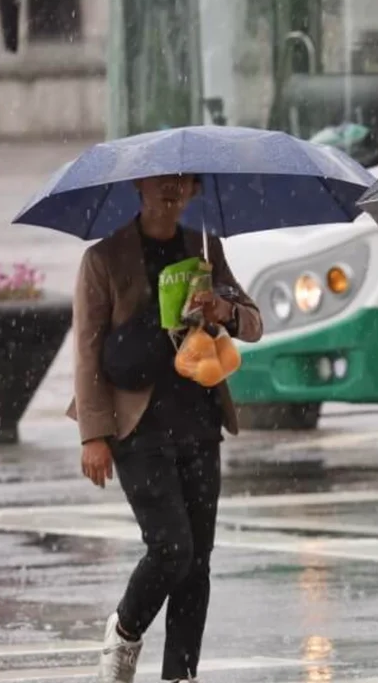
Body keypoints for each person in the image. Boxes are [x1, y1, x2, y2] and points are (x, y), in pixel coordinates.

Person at [68, 173, 263, 683]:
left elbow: (255, 323)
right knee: (171, 547)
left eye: (184, 182)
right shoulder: (104, 259)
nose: (172, 190)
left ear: (196, 191)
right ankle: (126, 629)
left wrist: (222, 309)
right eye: (161, 181)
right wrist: (93, 434)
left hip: (199, 422)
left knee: (197, 561)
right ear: (140, 187)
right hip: (138, 428)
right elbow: (87, 350)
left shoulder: (205, 248)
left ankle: (181, 674)